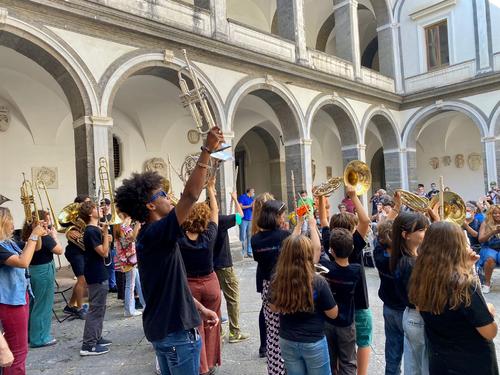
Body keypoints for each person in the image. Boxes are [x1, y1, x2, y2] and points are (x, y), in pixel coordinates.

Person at [114, 127, 221, 375]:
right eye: (163, 194)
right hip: (177, 336)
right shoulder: (156, 233)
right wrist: (206, 149)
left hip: (167, 332)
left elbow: (171, 287)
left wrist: (200, 309)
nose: (169, 197)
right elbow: (191, 195)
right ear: (150, 204)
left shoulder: (153, 237)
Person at [409, 221, 499, 375]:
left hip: (441, 364)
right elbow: (490, 332)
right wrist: (488, 310)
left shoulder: (421, 278)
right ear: (457, 246)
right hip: (472, 364)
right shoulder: (464, 285)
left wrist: (467, 267)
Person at [319, 187, 373, 375]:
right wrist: (353, 196)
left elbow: (324, 221)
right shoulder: (354, 246)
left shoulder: (329, 244)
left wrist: (321, 198)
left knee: (332, 353)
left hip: (332, 310)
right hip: (358, 305)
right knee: (361, 343)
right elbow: (366, 221)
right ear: (352, 231)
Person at [271, 234, 337, 375]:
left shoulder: (277, 279)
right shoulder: (318, 282)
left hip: (287, 339)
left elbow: (273, 307)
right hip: (314, 340)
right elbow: (333, 313)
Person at [251, 200, 305, 375]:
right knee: (290, 328)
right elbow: (293, 243)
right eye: (281, 215)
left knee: (273, 333)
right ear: (274, 216)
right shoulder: (282, 236)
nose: (282, 218)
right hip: (285, 285)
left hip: (267, 286)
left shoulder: (255, 240)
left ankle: (275, 370)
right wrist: (301, 221)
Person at [178, 178, 221, 375]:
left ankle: (202, 367)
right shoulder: (209, 235)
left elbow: (174, 216)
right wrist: (211, 190)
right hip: (210, 283)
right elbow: (215, 213)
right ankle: (211, 363)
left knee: (196, 327)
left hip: (189, 286)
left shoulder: (179, 238)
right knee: (212, 324)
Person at [0, 207, 47, 374]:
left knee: (19, 349)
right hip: (10, 302)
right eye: (9, 219)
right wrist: (34, 234)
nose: (13, 223)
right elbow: (23, 262)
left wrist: (38, 232)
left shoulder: (9, 243)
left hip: (20, 297)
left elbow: (36, 248)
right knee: (18, 351)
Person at [390, 212, 429, 375]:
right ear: (406, 235)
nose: (425, 233)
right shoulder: (410, 263)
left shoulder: (406, 258)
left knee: (413, 368)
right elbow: (421, 301)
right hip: (419, 317)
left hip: (411, 316)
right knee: (424, 367)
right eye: (421, 230)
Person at [320, 227, 362, 375]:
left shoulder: (325, 268)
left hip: (327, 321)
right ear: (351, 249)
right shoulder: (356, 270)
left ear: (331, 250)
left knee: (329, 360)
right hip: (346, 323)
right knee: (348, 361)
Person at [21, 210, 63, 348]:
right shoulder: (44, 237)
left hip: (32, 271)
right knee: (43, 305)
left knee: (33, 304)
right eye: (47, 220)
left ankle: (29, 334)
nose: (49, 223)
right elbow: (59, 250)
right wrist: (54, 236)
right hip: (43, 271)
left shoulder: (28, 235)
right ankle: (40, 338)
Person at [213, 190, 250, 344]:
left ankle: (218, 332)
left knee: (215, 300)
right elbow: (240, 217)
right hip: (224, 265)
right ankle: (234, 332)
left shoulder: (201, 221)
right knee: (232, 299)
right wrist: (235, 199)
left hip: (210, 267)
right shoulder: (220, 220)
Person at [79, 201, 113, 356]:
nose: (100, 209)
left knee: (100, 308)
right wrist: (105, 233)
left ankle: (96, 337)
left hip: (99, 272)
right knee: (95, 309)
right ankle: (88, 345)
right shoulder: (91, 231)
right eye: (96, 208)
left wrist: (105, 234)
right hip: (96, 273)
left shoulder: (93, 230)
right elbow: (104, 253)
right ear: (90, 213)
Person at [373, 220, 405, 375]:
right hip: (405, 310)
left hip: (389, 307)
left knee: (392, 349)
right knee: (414, 353)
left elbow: (379, 237)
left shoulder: (378, 253)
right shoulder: (405, 260)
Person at [251, 192, 274, 358]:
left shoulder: (256, 224)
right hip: (271, 271)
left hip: (263, 271)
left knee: (264, 308)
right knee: (268, 309)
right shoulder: (265, 227)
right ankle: (267, 344)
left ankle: (264, 345)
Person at [63, 194, 91, 319]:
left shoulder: (86, 219)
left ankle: (70, 306)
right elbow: (66, 229)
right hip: (75, 252)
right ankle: (80, 308)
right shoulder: (73, 221)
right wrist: (70, 231)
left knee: (82, 280)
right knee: (82, 280)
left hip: (83, 251)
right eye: (87, 203)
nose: (90, 206)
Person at [113, 212, 144, 317]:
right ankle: (129, 310)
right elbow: (132, 239)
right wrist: (137, 227)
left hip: (125, 259)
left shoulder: (118, 228)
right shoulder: (125, 228)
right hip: (129, 260)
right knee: (130, 286)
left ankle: (145, 304)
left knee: (137, 282)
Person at [100, 198, 117, 293]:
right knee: (105, 266)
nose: (104, 206)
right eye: (102, 204)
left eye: (106, 204)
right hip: (103, 244)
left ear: (109, 205)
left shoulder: (112, 217)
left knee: (112, 267)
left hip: (111, 245)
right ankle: (106, 284)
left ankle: (112, 284)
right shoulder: (99, 217)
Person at [238, 188, 255, 258]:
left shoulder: (251, 199)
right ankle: (242, 252)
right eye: (253, 191)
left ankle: (249, 251)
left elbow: (253, 208)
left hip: (250, 219)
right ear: (249, 191)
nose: (254, 193)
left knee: (249, 236)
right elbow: (240, 206)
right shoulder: (242, 197)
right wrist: (249, 206)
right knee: (243, 236)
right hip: (243, 219)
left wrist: (254, 206)